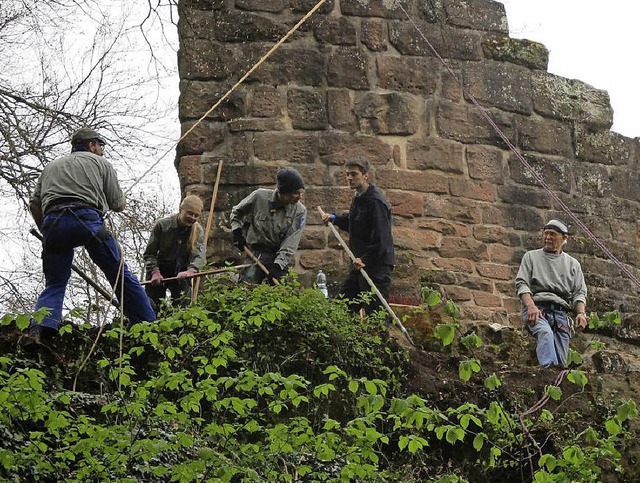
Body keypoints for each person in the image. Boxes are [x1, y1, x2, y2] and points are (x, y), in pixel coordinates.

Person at [26, 127, 156, 344]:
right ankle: (148, 323)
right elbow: (119, 205)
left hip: (53, 222)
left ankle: (40, 328)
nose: (102, 151)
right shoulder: (102, 164)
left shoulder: (51, 167)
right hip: (86, 220)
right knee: (119, 274)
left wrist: (46, 232)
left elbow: (34, 204)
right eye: (100, 146)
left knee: (55, 282)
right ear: (91, 145)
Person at [322, 157, 395, 314]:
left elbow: (381, 239)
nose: (349, 178)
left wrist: (365, 259)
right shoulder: (358, 198)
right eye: (347, 174)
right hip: (359, 265)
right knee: (343, 307)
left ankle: (381, 338)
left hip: (376, 267)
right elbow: (354, 222)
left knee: (376, 314)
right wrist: (334, 218)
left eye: (354, 174)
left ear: (365, 175)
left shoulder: (375, 201)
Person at [515, 218, 588, 368]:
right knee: (545, 333)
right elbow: (522, 284)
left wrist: (581, 313)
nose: (548, 237)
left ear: (564, 238)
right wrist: (530, 306)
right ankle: (548, 368)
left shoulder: (573, 264)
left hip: (561, 313)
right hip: (538, 309)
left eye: (552, 234)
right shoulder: (531, 257)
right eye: (546, 233)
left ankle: (555, 381)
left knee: (561, 359)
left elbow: (579, 292)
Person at [230, 167, 306, 284]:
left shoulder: (299, 211)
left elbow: (291, 242)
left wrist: (278, 266)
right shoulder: (259, 197)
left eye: (301, 192)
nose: (300, 197)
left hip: (278, 257)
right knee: (246, 289)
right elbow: (236, 212)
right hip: (255, 254)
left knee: (279, 295)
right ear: (283, 192)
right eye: (296, 193)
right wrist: (237, 233)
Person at [143, 195, 205, 310]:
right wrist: (154, 272)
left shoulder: (198, 230)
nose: (192, 218)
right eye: (189, 213)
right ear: (181, 209)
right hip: (158, 272)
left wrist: (191, 271)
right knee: (151, 308)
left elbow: (199, 256)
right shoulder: (162, 225)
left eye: (196, 215)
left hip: (182, 273)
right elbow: (149, 254)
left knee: (183, 309)